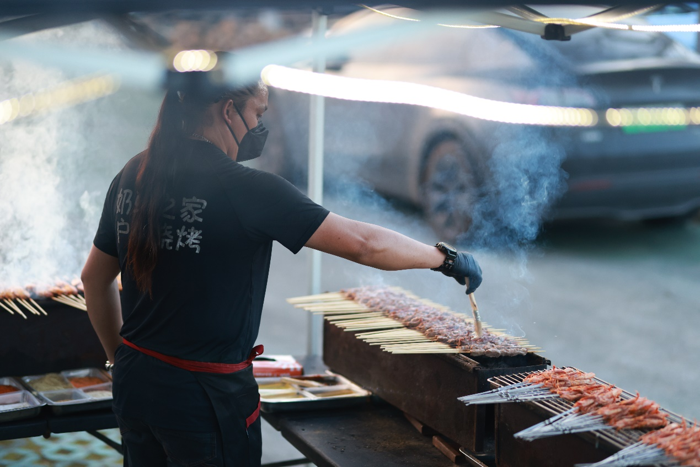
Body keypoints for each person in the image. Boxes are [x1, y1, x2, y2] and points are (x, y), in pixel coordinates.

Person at [81, 80, 482, 467]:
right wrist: (443, 258)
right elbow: (363, 242)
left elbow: (94, 279)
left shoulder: (133, 173)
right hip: (204, 401)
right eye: (258, 112)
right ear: (228, 110)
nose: (260, 126)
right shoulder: (246, 189)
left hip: (136, 389)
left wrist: (123, 359)